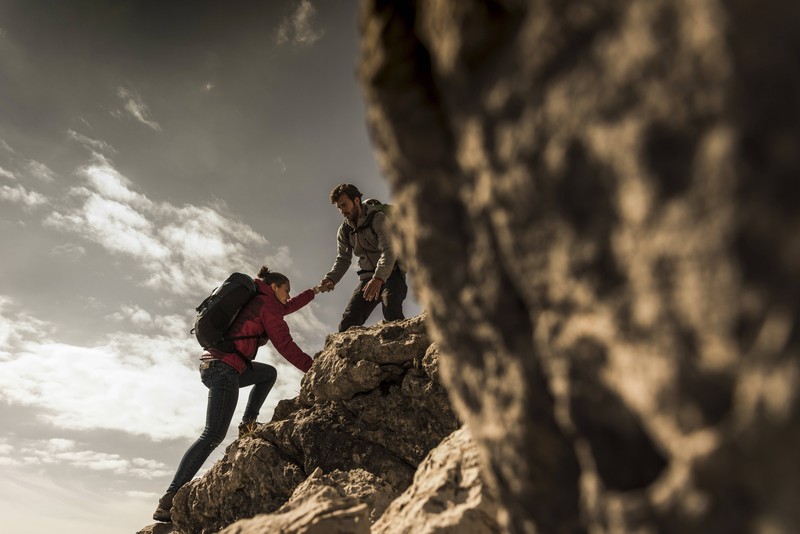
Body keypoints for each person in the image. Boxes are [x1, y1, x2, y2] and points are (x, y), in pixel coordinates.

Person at [153, 266, 324, 523]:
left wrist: (315, 291)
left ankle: (248, 424)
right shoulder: (267, 305)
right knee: (213, 434)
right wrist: (314, 368)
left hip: (218, 365)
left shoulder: (260, 299)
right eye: (286, 290)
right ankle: (169, 498)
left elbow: (287, 307)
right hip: (225, 368)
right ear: (274, 287)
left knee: (267, 373)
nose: (289, 296)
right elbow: (285, 345)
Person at [320, 183, 407, 332]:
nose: (342, 211)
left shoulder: (378, 219)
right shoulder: (344, 231)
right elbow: (343, 259)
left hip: (392, 273)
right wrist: (331, 278)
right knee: (346, 325)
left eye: (344, 205)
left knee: (392, 312)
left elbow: (389, 250)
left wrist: (378, 278)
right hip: (368, 279)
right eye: (339, 207)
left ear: (356, 201)